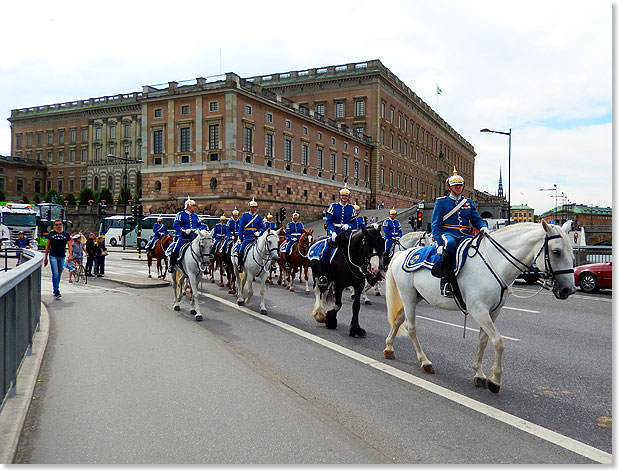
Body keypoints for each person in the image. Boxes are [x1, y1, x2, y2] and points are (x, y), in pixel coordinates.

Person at [432, 167, 488, 297]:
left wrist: (483, 227)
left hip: (465, 235)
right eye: (455, 186)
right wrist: (439, 244)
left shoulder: (468, 203)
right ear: (450, 187)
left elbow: (476, 219)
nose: (458, 188)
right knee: (450, 244)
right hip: (447, 233)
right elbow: (436, 224)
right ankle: (445, 281)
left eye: (460, 186)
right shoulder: (442, 202)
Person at [317, 184, 357, 287]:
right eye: (343, 195)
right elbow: (329, 222)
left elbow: (354, 223)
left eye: (346, 196)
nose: (344, 197)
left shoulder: (351, 208)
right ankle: (323, 275)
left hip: (346, 235)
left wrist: (349, 226)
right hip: (335, 234)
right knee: (325, 252)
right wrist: (332, 232)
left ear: (348, 197)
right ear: (339, 196)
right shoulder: (333, 206)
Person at [166, 196, 207, 273]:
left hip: (194, 238)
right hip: (183, 238)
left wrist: (198, 229)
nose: (195, 207)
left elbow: (200, 225)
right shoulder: (180, 214)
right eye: (194, 206)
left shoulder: (196, 216)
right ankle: (171, 265)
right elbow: (176, 225)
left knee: (204, 249)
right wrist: (184, 230)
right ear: (189, 206)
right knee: (176, 249)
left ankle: (204, 267)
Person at [43, 219, 73, 299]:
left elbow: (70, 245)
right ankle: (56, 291)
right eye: (57, 225)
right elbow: (47, 246)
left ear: (62, 225)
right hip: (53, 255)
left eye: (60, 224)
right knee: (55, 273)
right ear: (54, 226)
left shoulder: (66, 234)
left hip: (62, 256)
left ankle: (56, 288)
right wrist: (45, 258)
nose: (59, 226)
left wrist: (70, 255)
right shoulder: (51, 234)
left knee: (59, 273)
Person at [237, 198, 264, 273]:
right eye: (252, 207)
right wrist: (239, 238)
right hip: (247, 237)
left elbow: (262, 227)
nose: (254, 208)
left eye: (255, 207)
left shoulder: (259, 217)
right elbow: (241, 228)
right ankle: (240, 265)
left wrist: (259, 232)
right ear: (249, 207)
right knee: (241, 250)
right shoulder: (244, 216)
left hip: (256, 237)